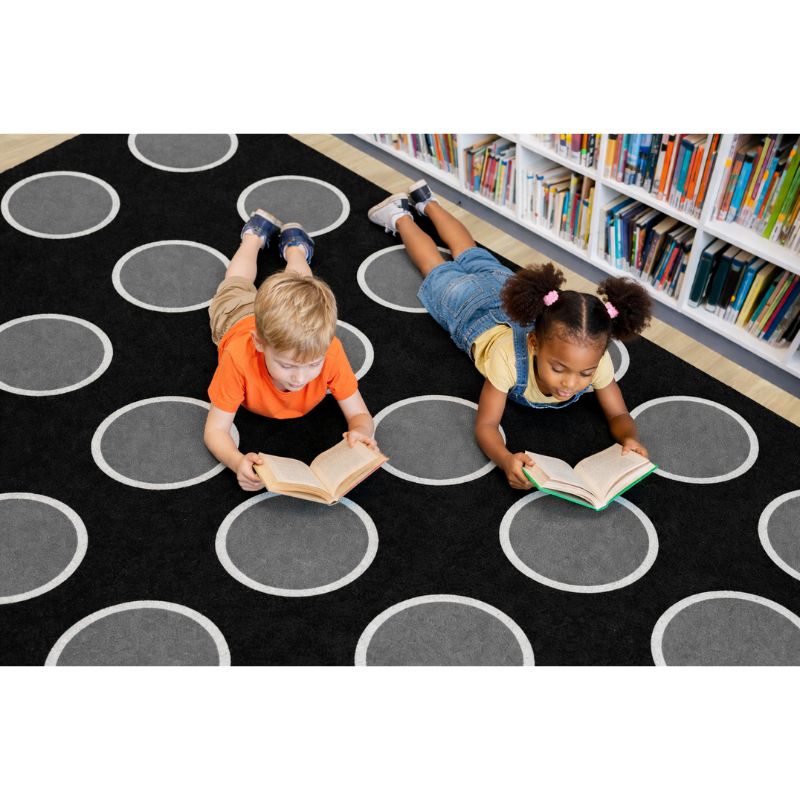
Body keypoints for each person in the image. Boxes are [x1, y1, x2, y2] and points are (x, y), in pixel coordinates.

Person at [368, 180, 653, 491]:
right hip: (470, 312)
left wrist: (630, 439)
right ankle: (399, 216)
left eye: (585, 373)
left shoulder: (597, 360)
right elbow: (486, 425)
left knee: (471, 254)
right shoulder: (508, 360)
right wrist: (504, 459)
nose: (570, 384)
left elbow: (619, 413)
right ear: (533, 343)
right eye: (558, 368)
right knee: (434, 267)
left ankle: (427, 201)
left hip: (506, 291)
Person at [205, 210, 379, 491]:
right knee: (236, 283)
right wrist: (237, 461)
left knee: (301, 283)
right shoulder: (238, 358)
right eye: (287, 366)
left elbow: (360, 415)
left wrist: (360, 433)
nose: (300, 378)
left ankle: (295, 248)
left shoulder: (330, 350)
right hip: (236, 316)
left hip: (282, 322)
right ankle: (253, 238)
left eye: (313, 364)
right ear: (259, 344)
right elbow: (215, 431)